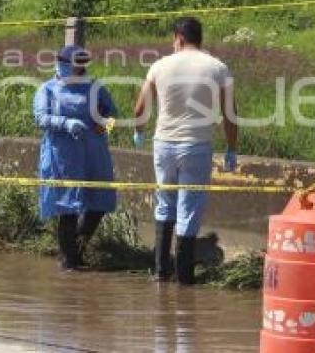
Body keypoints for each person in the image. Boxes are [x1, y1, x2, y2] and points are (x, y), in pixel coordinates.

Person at [133, 17, 238, 284]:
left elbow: (140, 110)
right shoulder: (218, 68)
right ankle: (184, 279)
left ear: (178, 38)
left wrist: (139, 132)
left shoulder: (159, 66)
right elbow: (230, 114)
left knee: (165, 203)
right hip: (196, 147)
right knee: (189, 208)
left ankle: (160, 271)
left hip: (164, 144)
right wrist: (231, 148)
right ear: (199, 39)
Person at [34, 45, 118, 270]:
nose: (76, 69)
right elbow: (41, 118)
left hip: (93, 152)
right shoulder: (48, 89)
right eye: (72, 64)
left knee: (99, 202)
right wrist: (65, 123)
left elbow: (112, 114)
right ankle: (69, 261)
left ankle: (75, 250)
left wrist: (104, 126)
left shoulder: (94, 88)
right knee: (68, 207)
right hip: (63, 154)